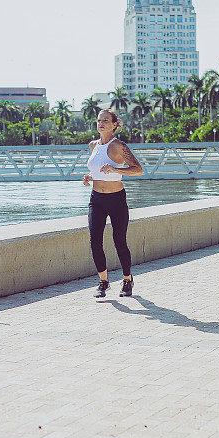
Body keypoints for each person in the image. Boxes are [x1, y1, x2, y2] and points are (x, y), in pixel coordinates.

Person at [83, 109, 144, 298]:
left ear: (114, 124)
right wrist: (90, 177)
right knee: (95, 242)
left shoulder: (119, 146)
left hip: (116, 199)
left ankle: (127, 279)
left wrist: (115, 168)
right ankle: (103, 282)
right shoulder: (93, 145)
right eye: (99, 120)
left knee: (119, 242)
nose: (101, 123)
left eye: (106, 120)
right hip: (96, 199)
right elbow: (99, 170)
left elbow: (138, 170)